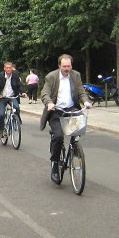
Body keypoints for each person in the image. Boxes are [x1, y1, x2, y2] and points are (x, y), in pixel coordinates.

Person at [40, 54, 91, 183]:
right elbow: (44, 92)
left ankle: (75, 148)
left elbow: (81, 91)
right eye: (64, 66)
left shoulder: (76, 75)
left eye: (69, 66)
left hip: (71, 109)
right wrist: (49, 103)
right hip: (56, 110)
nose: (67, 69)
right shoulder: (52, 76)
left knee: (77, 131)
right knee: (58, 137)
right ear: (59, 66)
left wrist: (85, 101)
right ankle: (55, 165)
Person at [0, 61, 22, 140]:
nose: (8, 69)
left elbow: (19, 85)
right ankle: (0, 131)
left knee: (16, 107)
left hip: (12, 97)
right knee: (1, 114)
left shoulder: (15, 75)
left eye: (10, 68)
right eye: (7, 68)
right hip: (2, 97)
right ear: (4, 68)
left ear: (12, 68)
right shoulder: (0, 76)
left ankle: (16, 121)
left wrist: (23, 92)